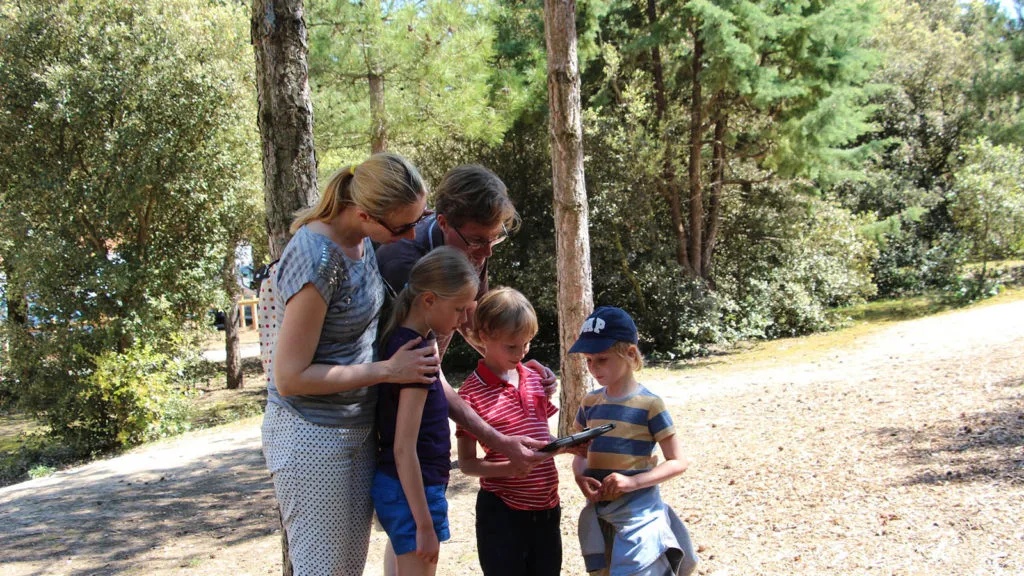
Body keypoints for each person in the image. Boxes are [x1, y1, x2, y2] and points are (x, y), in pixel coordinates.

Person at [260, 153, 440, 576]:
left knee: (345, 568)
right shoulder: (319, 260)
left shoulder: (359, 242)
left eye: (420, 219)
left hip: (352, 430)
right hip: (312, 437)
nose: (413, 233)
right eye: (402, 227)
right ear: (364, 213)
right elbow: (289, 378)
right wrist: (388, 372)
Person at [376, 164, 557, 574]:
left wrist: (519, 363)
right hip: (397, 405)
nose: (486, 253)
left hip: (421, 414)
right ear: (443, 224)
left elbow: (480, 328)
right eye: (478, 240)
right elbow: (424, 371)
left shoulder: (471, 251)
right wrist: (496, 437)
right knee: (414, 539)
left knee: (407, 549)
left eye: (495, 239)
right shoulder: (403, 260)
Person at [373, 247, 480, 576]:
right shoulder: (416, 355)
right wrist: (424, 525)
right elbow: (404, 448)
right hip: (412, 492)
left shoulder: (412, 340)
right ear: (429, 300)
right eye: (459, 309)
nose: (463, 320)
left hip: (407, 488)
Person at [569, 306, 699, 576]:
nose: (593, 368)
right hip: (600, 516)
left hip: (639, 516)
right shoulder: (590, 403)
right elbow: (579, 454)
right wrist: (581, 478)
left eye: (602, 359)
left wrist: (632, 482)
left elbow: (678, 461)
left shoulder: (650, 405)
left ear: (630, 354)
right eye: (589, 360)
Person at [455, 288, 565, 576]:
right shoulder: (469, 395)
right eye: (511, 347)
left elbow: (540, 438)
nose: (521, 353)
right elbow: (467, 464)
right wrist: (509, 467)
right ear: (484, 336)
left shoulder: (534, 378)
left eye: (526, 344)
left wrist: (566, 446)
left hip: (547, 508)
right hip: (502, 514)